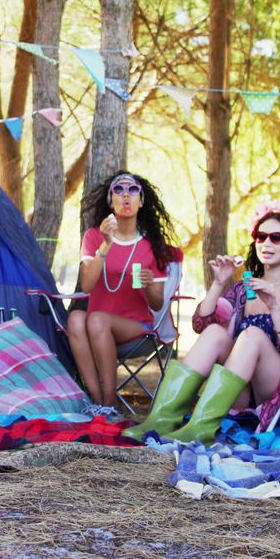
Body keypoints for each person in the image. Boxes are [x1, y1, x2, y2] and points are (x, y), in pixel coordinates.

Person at [124, 199, 280, 444]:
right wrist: (219, 283)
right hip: (240, 389)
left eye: (276, 237)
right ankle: (162, 420)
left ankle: (200, 428)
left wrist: (274, 306)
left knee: (252, 335)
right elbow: (200, 325)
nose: (266, 243)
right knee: (214, 333)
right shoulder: (244, 288)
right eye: (260, 236)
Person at [69, 171, 178, 418]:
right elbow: (86, 286)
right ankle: (100, 402)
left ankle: (109, 401)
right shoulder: (95, 236)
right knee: (76, 318)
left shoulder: (152, 245)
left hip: (136, 327)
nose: (126, 195)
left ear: (141, 201)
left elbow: (157, 302)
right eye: (118, 190)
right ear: (111, 201)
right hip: (97, 327)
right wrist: (106, 245)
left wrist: (150, 285)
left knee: (95, 319)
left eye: (133, 190)